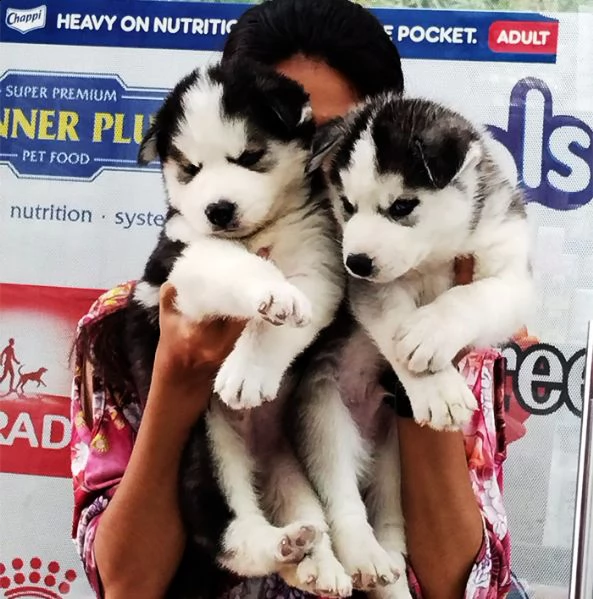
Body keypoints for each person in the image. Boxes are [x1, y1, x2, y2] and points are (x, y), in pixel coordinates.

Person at [70, 1, 515, 597]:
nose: (314, 168)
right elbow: (125, 583)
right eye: (291, 142)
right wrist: (178, 382)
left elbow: (463, 584)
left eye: (333, 148)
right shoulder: (121, 325)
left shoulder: (452, 316)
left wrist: (421, 364)